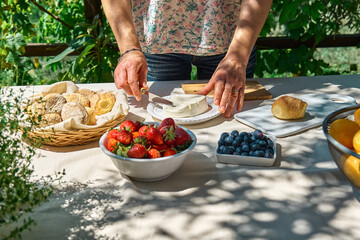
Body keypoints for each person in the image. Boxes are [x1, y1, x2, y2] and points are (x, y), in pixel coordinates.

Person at [101, 0, 272, 117]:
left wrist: (238, 55)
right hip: (156, 41)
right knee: (159, 125)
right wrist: (129, 48)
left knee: (231, 126)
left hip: (232, 43)